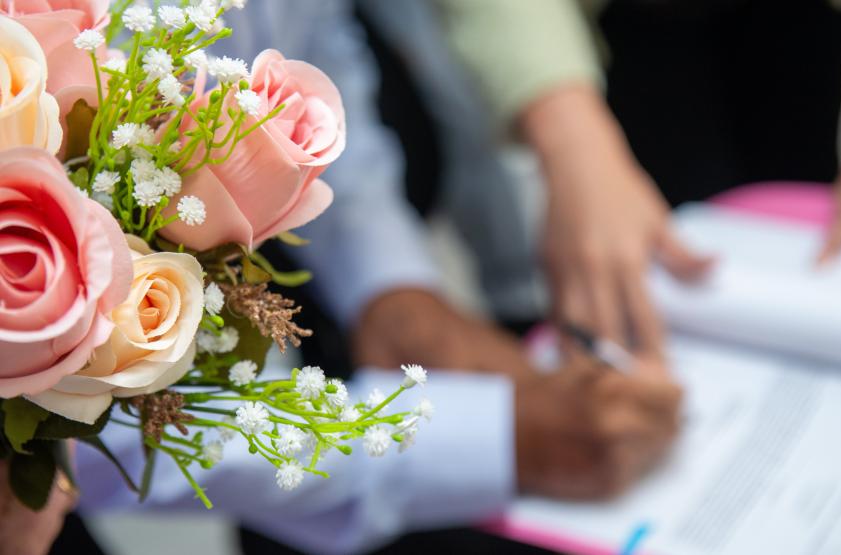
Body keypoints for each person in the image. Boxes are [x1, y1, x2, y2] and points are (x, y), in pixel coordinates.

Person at [73, 2, 682, 554]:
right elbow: (75, 428)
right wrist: (483, 445)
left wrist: (390, 287)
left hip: (277, 321)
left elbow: (313, 55)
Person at [422, 0, 841, 362]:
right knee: (653, 258)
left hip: (808, 28)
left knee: (805, 228)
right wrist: (569, 137)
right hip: (627, 30)